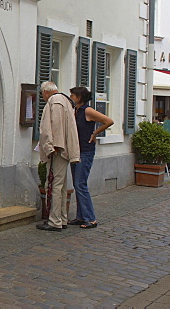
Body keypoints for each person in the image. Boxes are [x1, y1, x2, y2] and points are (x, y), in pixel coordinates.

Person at [36, 81, 80, 232]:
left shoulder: (54, 101)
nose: (43, 97)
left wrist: (50, 146)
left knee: (54, 184)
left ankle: (55, 221)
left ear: (46, 92)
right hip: (66, 148)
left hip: (58, 149)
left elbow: (51, 127)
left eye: (42, 94)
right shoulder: (66, 100)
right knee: (61, 185)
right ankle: (62, 218)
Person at [67, 86, 113, 230]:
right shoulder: (76, 111)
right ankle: (81, 216)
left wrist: (94, 134)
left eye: (73, 95)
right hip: (76, 150)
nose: (71, 97)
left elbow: (108, 121)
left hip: (85, 151)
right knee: (77, 184)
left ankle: (90, 218)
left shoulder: (87, 110)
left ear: (79, 97)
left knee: (81, 184)